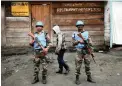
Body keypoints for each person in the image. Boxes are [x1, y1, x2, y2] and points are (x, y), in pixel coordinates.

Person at [72, 20, 95, 85]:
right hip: (79, 51)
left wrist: (87, 42)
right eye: (78, 26)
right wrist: (78, 41)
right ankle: (77, 79)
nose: (80, 27)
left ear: (83, 26)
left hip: (86, 51)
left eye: (81, 25)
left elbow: (91, 43)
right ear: (77, 26)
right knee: (78, 65)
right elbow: (73, 44)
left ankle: (89, 77)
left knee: (87, 65)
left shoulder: (87, 33)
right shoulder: (74, 34)